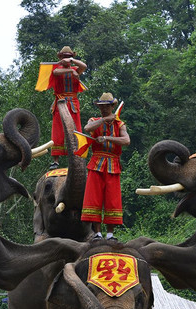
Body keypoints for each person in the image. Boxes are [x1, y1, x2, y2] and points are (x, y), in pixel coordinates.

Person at [81, 92, 131, 240]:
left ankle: (110, 234)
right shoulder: (95, 120)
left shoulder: (119, 124)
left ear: (112, 106)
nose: (103, 109)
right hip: (96, 163)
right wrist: (104, 120)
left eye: (106, 107)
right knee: (94, 197)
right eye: (101, 107)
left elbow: (126, 140)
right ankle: (97, 233)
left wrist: (107, 137)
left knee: (112, 199)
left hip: (113, 165)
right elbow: (87, 128)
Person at [47, 46, 87, 168]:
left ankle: (77, 158)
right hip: (60, 101)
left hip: (73, 103)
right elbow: (55, 72)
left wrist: (72, 62)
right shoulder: (57, 68)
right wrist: (71, 71)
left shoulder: (75, 67)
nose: (66, 58)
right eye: (64, 56)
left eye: (68, 56)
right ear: (60, 57)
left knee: (76, 128)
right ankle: (56, 161)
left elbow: (84, 66)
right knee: (58, 130)